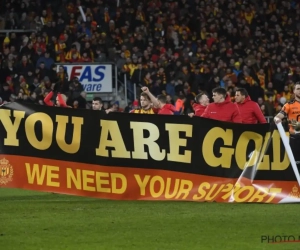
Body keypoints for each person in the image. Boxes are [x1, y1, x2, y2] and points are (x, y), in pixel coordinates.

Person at [274, 82, 300, 168]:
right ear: (294, 91)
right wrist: (277, 119)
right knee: (296, 165)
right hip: (295, 139)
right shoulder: (288, 105)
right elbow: (277, 117)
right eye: (298, 89)